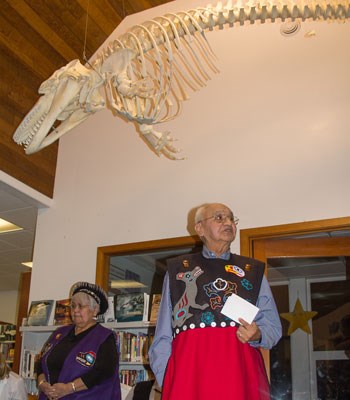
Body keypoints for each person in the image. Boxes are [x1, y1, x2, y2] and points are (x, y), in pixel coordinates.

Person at [149, 203, 282, 400]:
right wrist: (169, 380)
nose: (228, 223)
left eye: (231, 219)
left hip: (240, 379)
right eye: (219, 218)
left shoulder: (252, 272)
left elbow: (273, 327)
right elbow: (163, 337)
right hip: (189, 380)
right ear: (200, 228)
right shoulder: (178, 270)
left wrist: (258, 334)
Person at [36, 281, 121, 399]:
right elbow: (41, 363)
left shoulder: (105, 337)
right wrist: (42, 384)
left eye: (80, 306)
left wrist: (69, 388)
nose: (75, 310)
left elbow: (103, 372)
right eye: (73, 306)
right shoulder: (60, 333)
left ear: (95, 310)